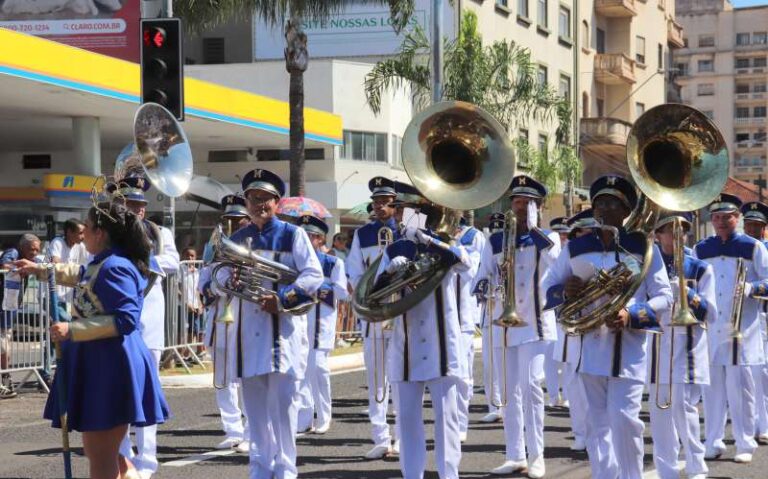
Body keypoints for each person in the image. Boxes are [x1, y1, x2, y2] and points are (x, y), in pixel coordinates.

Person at [15, 201, 170, 479]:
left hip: (111, 366)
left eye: (86, 227)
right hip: (104, 361)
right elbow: (82, 275)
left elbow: (126, 320)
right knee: (107, 454)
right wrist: (39, 270)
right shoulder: (105, 262)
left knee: (101, 457)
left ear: (100, 232)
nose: (82, 233)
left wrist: (73, 330)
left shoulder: (115, 266)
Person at [542, 175, 673, 479]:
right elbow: (546, 287)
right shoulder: (576, 247)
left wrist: (632, 314)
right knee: (595, 424)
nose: (604, 209)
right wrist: (565, 291)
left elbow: (665, 296)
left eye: (613, 204)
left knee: (624, 420)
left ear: (626, 211)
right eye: (600, 203)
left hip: (629, 350)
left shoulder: (642, 247)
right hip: (588, 349)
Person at [211, 168, 323, 479]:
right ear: (246, 201)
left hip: (282, 334)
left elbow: (313, 275)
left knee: (284, 409)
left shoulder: (293, 234)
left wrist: (284, 297)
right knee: (255, 412)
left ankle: (286, 469)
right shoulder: (238, 238)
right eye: (253, 198)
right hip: (247, 336)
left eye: (266, 198)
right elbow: (217, 277)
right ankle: (259, 468)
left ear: (277, 202)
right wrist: (228, 281)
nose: (259, 204)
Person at [374, 189, 471, 479]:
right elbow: (375, 294)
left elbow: (465, 264)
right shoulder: (394, 249)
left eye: (408, 211)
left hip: (442, 345)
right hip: (405, 346)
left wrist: (429, 240)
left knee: (447, 420)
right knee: (406, 421)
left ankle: (449, 475)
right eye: (401, 211)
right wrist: (389, 274)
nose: (403, 216)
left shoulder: (446, 244)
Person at [477, 176, 560, 478]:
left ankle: (537, 455)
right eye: (517, 202)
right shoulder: (496, 240)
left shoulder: (549, 238)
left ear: (538, 207)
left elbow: (555, 262)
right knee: (509, 391)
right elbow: (482, 275)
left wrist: (534, 229)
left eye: (528, 203)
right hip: (505, 325)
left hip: (536, 325)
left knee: (531, 388)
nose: (521, 208)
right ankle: (515, 454)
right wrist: (485, 287)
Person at [114, 176, 180, 479]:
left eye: (141, 204)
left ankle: (148, 458)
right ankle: (123, 455)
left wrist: (141, 261)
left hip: (150, 319)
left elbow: (173, 262)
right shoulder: (113, 231)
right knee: (120, 386)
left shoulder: (160, 232)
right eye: (131, 204)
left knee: (148, 388)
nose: (138, 209)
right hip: (121, 316)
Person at [697, 193, 768, 463]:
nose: (721, 222)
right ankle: (713, 441)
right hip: (711, 329)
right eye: (716, 217)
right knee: (711, 391)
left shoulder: (753, 247)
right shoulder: (702, 248)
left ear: (737, 218)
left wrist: (752, 288)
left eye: (726, 217)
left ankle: (744, 443)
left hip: (743, 330)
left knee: (741, 390)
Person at [648, 211, 714, 479]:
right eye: (669, 229)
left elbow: (712, 313)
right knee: (659, 413)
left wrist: (689, 294)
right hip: (656, 348)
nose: (677, 235)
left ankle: (697, 466)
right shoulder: (647, 266)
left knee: (683, 410)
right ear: (658, 234)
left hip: (689, 349)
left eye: (682, 230)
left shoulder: (699, 268)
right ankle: (667, 471)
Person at [346, 176, 401, 459]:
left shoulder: (406, 231)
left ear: (395, 204)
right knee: (376, 380)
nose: (380, 207)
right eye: (377, 202)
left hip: (402, 313)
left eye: (385, 202)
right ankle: (381, 437)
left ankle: (402, 436)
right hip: (375, 314)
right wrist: (367, 291)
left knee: (402, 379)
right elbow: (354, 271)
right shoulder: (363, 234)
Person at [200, 194, 251, 453]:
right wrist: (217, 286)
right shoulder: (214, 246)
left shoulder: (254, 244)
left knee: (246, 379)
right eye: (229, 220)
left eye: (238, 220)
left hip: (245, 321)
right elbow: (203, 283)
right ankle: (232, 430)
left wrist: (237, 282)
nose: (233, 225)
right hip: (219, 321)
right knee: (222, 379)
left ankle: (251, 431)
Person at [296, 215, 348, 434]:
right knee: (301, 371)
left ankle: (324, 416)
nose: (308, 240)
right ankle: (305, 417)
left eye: (312, 236)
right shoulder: (295, 261)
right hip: (299, 322)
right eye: (304, 235)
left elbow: (343, 292)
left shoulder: (333, 262)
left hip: (321, 323)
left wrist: (317, 288)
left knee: (319, 369)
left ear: (320, 239)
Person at [452, 216, 486, 443]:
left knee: (462, 374)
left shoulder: (474, 236)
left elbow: (473, 270)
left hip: (462, 312)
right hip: (434, 314)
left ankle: (460, 423)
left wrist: (451, 246)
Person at [472, 212, 506, 423]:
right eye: (495, 228)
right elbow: (479, 278)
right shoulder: (490, 246)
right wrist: (484, 287)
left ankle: (512, 405)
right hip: (492, 311)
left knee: (511, 365)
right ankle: (495, 406)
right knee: (490, 364)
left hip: (514, 313)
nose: (497, 231)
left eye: (500, 227)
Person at [1, 233, 43, 397]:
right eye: (32, 249)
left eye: (37, 250)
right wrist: (19, 269)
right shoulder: (13, 252)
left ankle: (5, 378)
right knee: (3, 345)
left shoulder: (33, 259)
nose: (35, 253)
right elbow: (4, 265)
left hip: (10, 309)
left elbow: (44, 265)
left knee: (5, 345)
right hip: (3, 307)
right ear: (23, 247)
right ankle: (4, 379)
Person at [741, 201, 768, 444]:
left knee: (764, 372)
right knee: (755, 372)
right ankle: (757, 424)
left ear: (764, 228)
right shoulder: (742, 248)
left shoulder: (763, 249)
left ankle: (764, 423)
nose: (752, 229)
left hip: (762, 314)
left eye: (756, 225)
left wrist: (751, 288)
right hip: (753, 316)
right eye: (748, 224)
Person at [544, 217, 570, 408]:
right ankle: (553, 396)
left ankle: (567, 396)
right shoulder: (546, 252)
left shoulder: (572, 254)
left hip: (566, 313)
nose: (563, 238)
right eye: (559, 234)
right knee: (550, 359)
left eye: (566, 235)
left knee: (567, 358)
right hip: (549, 313)